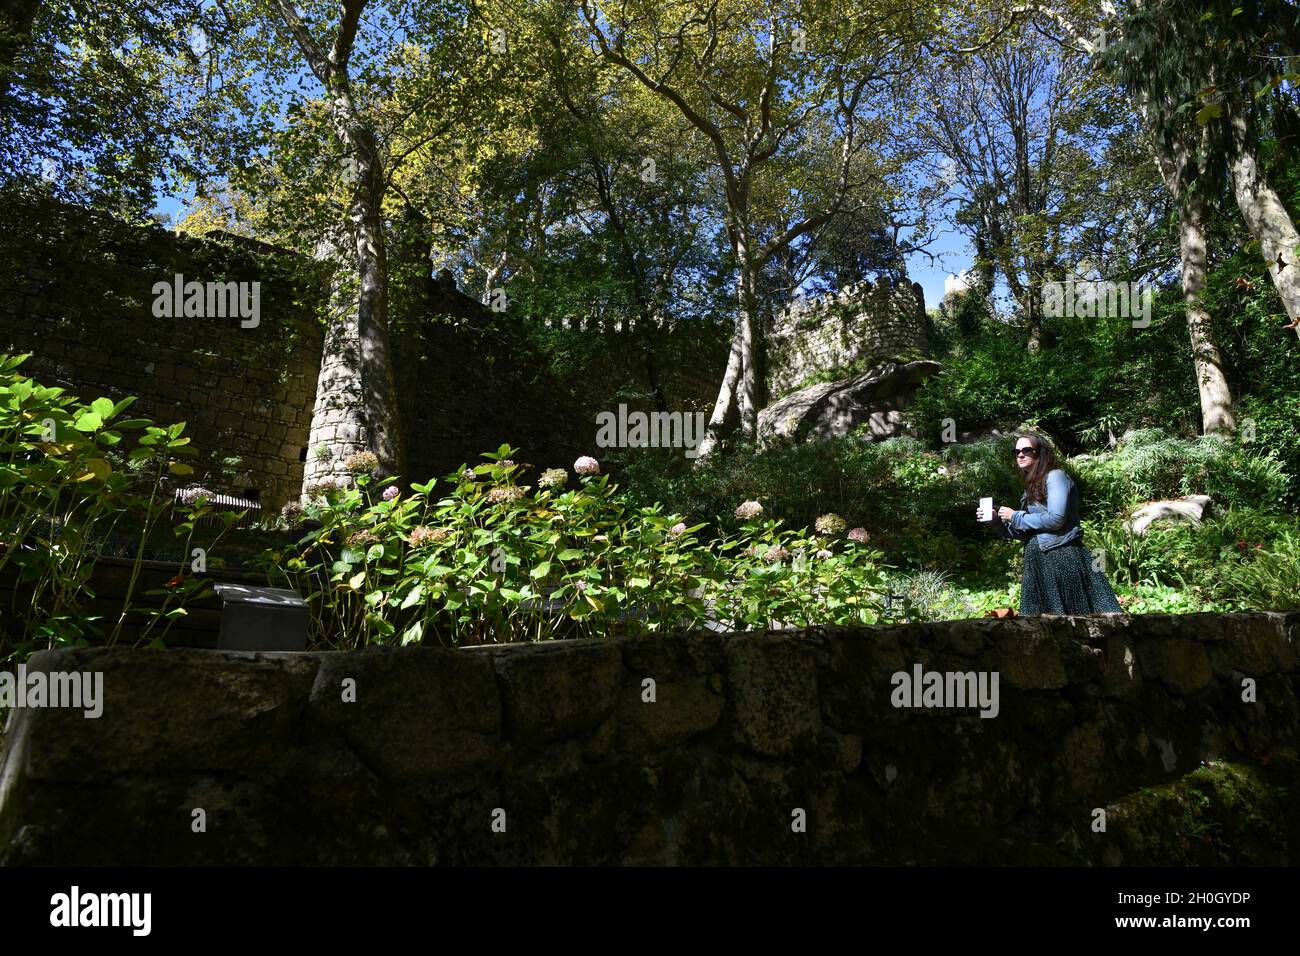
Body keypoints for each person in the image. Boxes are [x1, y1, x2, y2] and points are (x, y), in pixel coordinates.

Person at [978, 431, 1123, 616]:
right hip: (1039, 564)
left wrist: (1015, 516)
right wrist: (996, 522)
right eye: (1016, 451)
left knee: (1076, 622)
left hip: (1060, 558)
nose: (1020, 454)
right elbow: (1026, 533)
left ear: (1040, 452)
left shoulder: (1056, 477)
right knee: (1043, 631)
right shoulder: (1031, 487)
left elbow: (1056, 519)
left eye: (1026, 450)